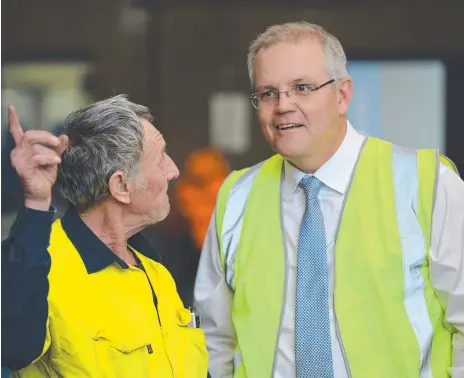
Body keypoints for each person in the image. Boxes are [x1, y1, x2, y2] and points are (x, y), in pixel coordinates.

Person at [194, 21, 464, 378]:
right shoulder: (235, 197)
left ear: (342, 95)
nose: (283, 106)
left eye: (301, 87)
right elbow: (215, 339)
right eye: (268, 93)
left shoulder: (426, 182)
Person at [1, 95, 208, 377]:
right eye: (161, 159)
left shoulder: (154, 270)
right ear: (121, 185)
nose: (174, 171)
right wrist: (36, 202)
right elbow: (13, 348)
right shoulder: (38, 264)